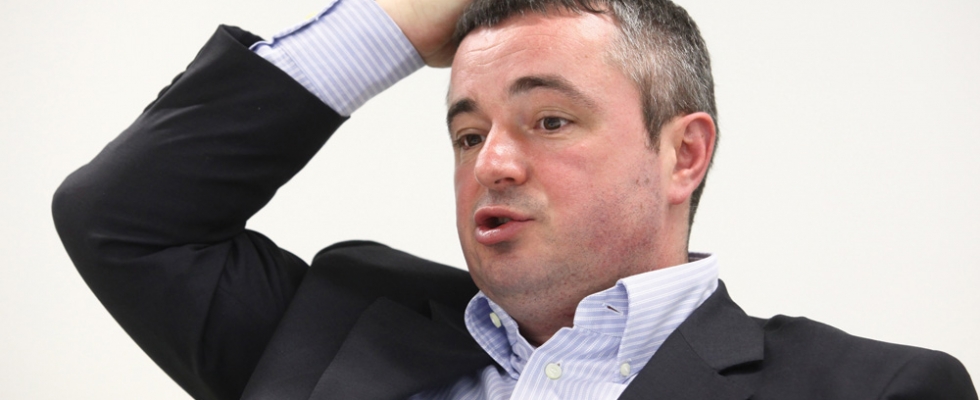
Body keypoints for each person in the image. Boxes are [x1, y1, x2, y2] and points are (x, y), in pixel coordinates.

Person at [52, 0, 977, 399]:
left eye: (549, 121)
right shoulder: (335, 328)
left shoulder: (874, 392)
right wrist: (395, 24)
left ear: (683, 155)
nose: (491, 162)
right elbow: (123, 222)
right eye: (466, 133)